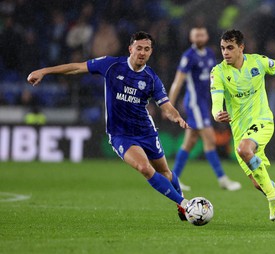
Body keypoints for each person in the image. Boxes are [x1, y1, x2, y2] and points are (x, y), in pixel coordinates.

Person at [27, 31, 190, 220]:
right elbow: (76, 68)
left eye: (147, 49)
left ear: (151, 52)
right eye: (139, 48)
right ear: (131, 49)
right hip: (121, 134)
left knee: (165, 173)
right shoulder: (111, 65)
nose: (142, 52)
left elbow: (166, 106)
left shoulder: (151, 78)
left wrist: (176, 116)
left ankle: (183, 203)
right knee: (145, 168)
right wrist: (44, 71)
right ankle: (186, 205)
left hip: (146, 132)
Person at [210, 29, 275, 228]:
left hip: (262, 121)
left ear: (241, 47)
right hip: (240, 131)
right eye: (223, 48)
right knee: (259, 183)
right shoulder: (218, 72)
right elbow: (216, 99)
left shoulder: (258, 62)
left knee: (244, 150)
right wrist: (216, 113)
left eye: (230, 48)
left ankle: (273, 200)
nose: (225, 53)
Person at [168, 26, 241, 191]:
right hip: (194, 104)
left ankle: (173, 179)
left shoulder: (209, 53)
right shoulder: (189, 56)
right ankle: (222, 179)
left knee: (190, 141)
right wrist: (169, 106)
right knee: (210, 139)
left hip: (204, 102)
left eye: (202, 34)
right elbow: (178, 81)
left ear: (206, 36)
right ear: (191, 37)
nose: (199, 37)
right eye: (196, 34)